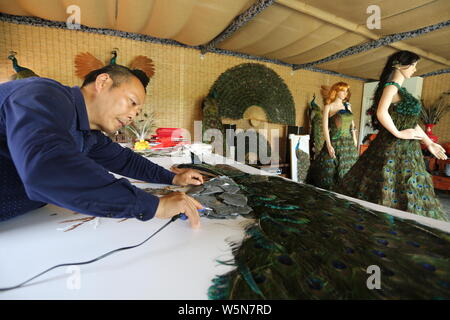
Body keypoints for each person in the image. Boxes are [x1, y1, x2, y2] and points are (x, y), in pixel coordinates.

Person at [0, 64, 204, 228]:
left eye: (138, 111)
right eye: (132, 102)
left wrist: (174, 177)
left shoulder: (89, 134)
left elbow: (125, 160)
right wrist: (155, 206)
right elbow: (47, 169)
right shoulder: (40, 94)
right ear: (103, 81)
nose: (133, 115)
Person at [338, 50, 448, 221]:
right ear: (400, 65)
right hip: (393, 147)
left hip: (408, 150)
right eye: (413, 65)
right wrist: (399, 133)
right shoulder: (391, 87)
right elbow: (381, 112)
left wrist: (429, 142)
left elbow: (410, 123)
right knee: (387, 185)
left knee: (405, 187)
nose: (415, 69)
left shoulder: (400, 90)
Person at [307, 82, 358, 190]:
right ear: (336, 91)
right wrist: (329, 145)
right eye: (343, 91)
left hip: (348, 144)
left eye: (346, 91)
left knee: (348, 170)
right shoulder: (328, 107)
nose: (345, 93)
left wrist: (354, 139)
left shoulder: (348, 106)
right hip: (335, 141)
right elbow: (325, 127)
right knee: (329, 171)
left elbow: (352, 125)